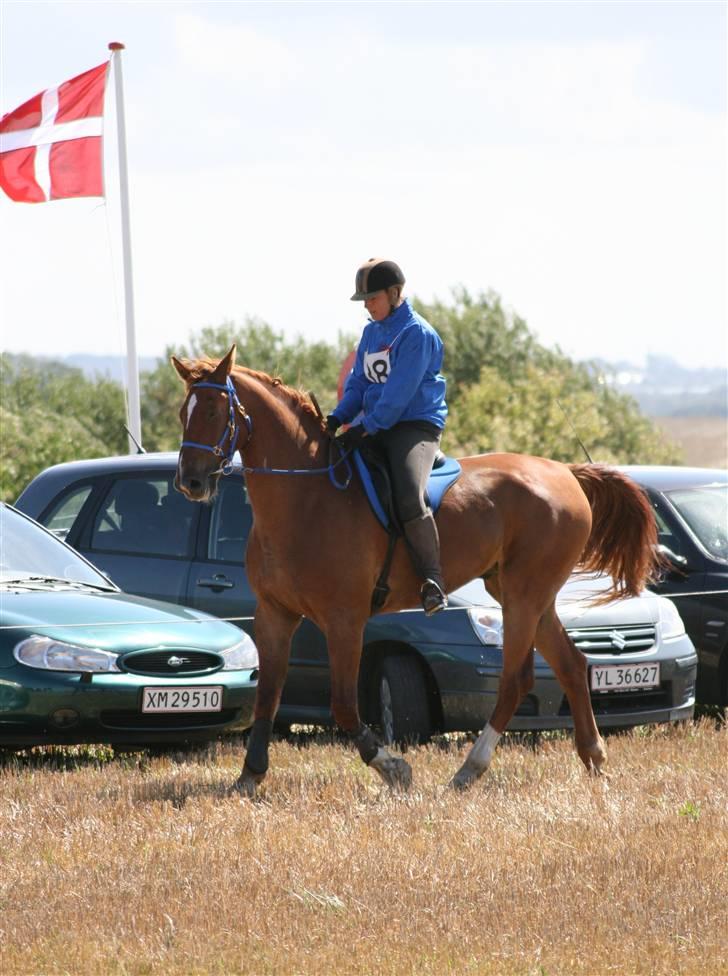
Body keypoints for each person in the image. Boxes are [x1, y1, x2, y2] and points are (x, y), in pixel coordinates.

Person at [326, 257, 449, 615]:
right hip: (375, 423)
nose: (367, 305)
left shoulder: (416, 334)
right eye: (364, 300)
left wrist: (364, 427)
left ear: (395, 294)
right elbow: (359, 384)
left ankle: (433, 582)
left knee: (409, 494)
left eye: (372, 298)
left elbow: (398, 396)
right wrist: (338, 417)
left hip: (413, 426)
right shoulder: (371, 332)